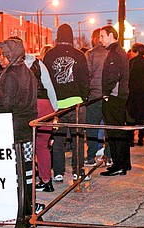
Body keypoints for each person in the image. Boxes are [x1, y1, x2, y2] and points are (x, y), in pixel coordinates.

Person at [0, 37, 44, 213]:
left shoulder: (9, 76)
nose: (0, 58)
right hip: (27, 128)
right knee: (27, 166)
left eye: (3, 54)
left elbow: (4, 105)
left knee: (13, 168)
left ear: (11, 55)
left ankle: (18, 205)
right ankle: (29, 202)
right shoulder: (28, 72)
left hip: (11, 130)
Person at [43, 23, 90, 182]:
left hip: (57, 106)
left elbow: (46, 80)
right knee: (78, 139)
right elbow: (85, 79)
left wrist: (52, 100)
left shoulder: (49, 55)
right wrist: (83, 98)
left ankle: (58, 172)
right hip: (76, 104)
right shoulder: (79, 55)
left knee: (58, 139)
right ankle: (78, 170)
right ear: (71, 36)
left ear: (58, 37)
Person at [99, 25, 131, 176]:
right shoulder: (119, 51)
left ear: (110, 35)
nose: (100, 40)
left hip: (114, 97)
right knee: (119, 130)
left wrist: (105, 93)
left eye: (102, 36)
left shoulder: (115, 53)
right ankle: (123, 164)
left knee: (114, 131)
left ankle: (119, 164)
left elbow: (112, 76)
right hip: (118, 96)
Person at [25, 53, 58, 192]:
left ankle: (25, 182)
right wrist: (55, 109)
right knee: (42, 146)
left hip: (29, 106)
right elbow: (49, 87)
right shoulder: (38, 64)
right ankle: (46, 181)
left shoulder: (13, 66)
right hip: (45, 105)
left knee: (25, 147)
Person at [84, 28, 112, 167]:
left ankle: (90, 156)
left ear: (95, 38)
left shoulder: (90, 54)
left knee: (92, 128)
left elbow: (87, 75)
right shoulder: (111, 53)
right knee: (109, 127)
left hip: (94, 96)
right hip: (109, 96)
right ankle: (109, 156)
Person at [126, 43, 144, 147]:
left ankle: (130, 139)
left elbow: (128, 79)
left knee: (131, 118)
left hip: (133, 94)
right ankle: (141, 139)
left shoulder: (131, 63)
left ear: (136, 51)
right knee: (142, 118)